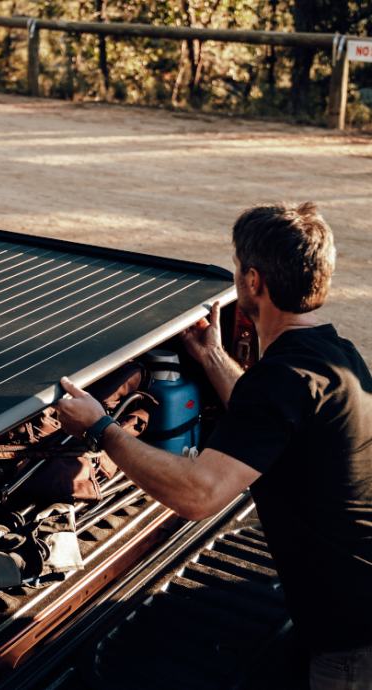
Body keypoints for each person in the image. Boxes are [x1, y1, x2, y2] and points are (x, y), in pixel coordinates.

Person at [55, 202, 372, 690]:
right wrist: (213, 357)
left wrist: (101, 429)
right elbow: (268, 421)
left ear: (253, 281)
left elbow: (199, 495)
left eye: (237, 266)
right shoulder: (332, 354)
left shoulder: (282, 379)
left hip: (351, 641)